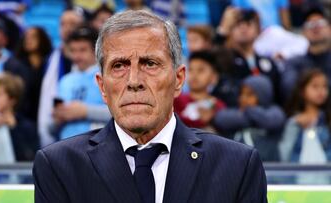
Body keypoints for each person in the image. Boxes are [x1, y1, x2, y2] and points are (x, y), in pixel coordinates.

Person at [33, 10, 267, 203]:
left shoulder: (236, 165)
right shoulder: (59, 166)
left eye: (150, 63)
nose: (134, 81)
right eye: (119, 66)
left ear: (178, 79)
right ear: (102, 87)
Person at [51, 26, 111, 140]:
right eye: (73, 51)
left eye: (82, 50)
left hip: (99, 147)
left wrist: (85, 111)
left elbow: (122, 115)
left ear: (96, 51)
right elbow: (51, 128)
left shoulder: (108, 76)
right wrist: (57, 119)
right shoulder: (65, 80)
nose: (76, 56)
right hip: (66, 147)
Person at [37, 9, 83, 146]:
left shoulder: (95, 64)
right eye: (63, 24)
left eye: (72, 23)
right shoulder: (49, 59)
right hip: (55, 127)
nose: (67, 28)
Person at [214, 75, 286, 161]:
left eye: (249, 94)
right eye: (241, 94)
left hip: (268, 166)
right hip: (238, 164)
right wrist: (255, 119)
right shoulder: (234, 112)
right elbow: (221, 119)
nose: (243, 98)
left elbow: (271, 121)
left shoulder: (274, 111)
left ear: (263, 95)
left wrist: (248, 111)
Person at [279, 69, 331, 163]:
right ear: (302, 91)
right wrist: (295, 124)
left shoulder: (327, 119)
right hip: (298, 174)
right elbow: (285, 152)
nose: (321, 91)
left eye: (324, 86)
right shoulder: (294, 122)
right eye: (315, 86)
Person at [281, 7, 331, 101]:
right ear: (303, 31)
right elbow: (288, 89)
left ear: (330, 28)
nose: (315, 27)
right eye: (310, 24)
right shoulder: (293, 63)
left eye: (320, 23)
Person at [174, 50, 225, 130]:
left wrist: (211, 120)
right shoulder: (176, 100)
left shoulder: (218, 106)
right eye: (190, 70)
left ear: (214, 77)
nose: (194, 75)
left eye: (201, 70)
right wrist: (202, 121)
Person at [15, 26, 53, 123]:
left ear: (42, 39)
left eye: (33, 37)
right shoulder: (17, 65)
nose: (29, 40)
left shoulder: (51, 64)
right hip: (24, 117)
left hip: (46, 113)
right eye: (26, 37)